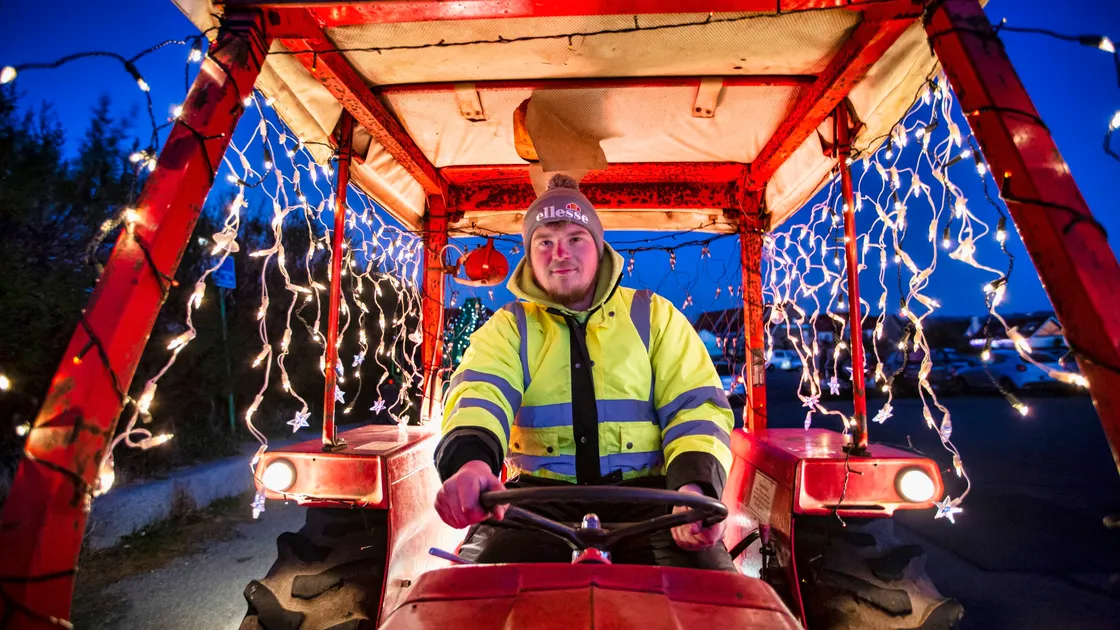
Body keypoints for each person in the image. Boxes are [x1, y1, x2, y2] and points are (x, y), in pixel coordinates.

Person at [433, 174, 735, 568]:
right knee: (473, 598)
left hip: (656, 502)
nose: (560, 253)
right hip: (533, 505)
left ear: (598, 247)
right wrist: (471, 465)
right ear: (529, 253)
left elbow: (696, 408)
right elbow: (479, 395)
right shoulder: (509, 327)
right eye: (545, 241)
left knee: (714, 601)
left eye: (576, 238)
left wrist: (693, 488)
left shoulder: (654, 316)